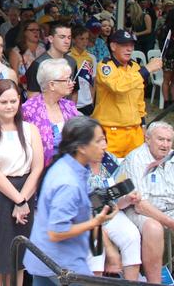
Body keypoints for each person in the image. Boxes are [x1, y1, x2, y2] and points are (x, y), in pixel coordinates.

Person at [24, 116, 117, 283]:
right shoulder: (68, 182)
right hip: (59, 262)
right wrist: (95, 222)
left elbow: (82, 205)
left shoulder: (70, 165)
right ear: (81, 147)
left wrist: (109, 248)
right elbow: (57, 231)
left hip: (46, 258)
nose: (104, 146)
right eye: (98, 141)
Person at [0, 79, 43, 286]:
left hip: (25, 190)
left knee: (18, 260)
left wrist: (23, 200)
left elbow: (37, 168)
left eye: (13, 101)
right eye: (4, 102)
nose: (9, 106)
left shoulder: (30, 129)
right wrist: (19, 201)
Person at [118, 122, 174, 283]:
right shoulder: (137, 159)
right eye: (161, 139)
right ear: (147, 139)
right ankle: (155, 282)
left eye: (169, 140)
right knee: (153, 228)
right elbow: (141, 205)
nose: (165, 145)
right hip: (141, 209)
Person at [92, 30, 162, 158]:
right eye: (124, 45)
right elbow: (118, 86)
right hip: (111, 133)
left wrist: (143, 125)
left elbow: (139, 100)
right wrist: (146, 69)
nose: (129, 49)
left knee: (137, 172)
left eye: (131, 45)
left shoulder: (135, 67)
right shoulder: (105, 66)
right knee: (111, 175)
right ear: (113, 46)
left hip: (134, 132)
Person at [87, 150, 142, 280]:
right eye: (97, 141)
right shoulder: (76, 164)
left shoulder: (109, 160)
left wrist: (128, 198)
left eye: (103, 140)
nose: (102, 146)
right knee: (96, 244)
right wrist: (111, 252)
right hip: (85, 216)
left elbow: (119, 197)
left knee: (131, 236)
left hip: (111, 211)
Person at [22, 59, 79, 167]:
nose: (71, 83)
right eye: (67, 80)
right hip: (41, 172)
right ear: (52, 85)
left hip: (70, 168)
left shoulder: (69, 107)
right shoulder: (29, 110)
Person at [25, 22, 78, 100]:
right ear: (51, 39)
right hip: (45, 110)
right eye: (62, 37)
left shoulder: (72, 61)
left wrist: (71, 111)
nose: (67, 41)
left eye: (69, 37)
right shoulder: (38, 64)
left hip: (67, 109)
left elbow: (74, 92)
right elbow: (32, 98)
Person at [9, 20, 45, 94]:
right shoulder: (16, 51)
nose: (36, 32)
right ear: (24, 32)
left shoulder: (43, 49)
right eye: (32, 30)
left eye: (38, 30)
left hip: (44, 91)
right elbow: (14, 77)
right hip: (25, 92)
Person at [67, 25, 96, 115]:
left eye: (86, 39)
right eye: (81, 39)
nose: (85, 42)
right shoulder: (68, 57)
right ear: (74, 40)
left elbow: (93, 81)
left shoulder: (91, 58)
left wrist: (92, 100)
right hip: (71, 102)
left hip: (87, 103)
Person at [157, 8, 174, 106]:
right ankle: (166, 101)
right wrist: (173, 40)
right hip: (169, 57)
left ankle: (173, 101)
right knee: (167, 79)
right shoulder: (165, 28)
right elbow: (162, 44)